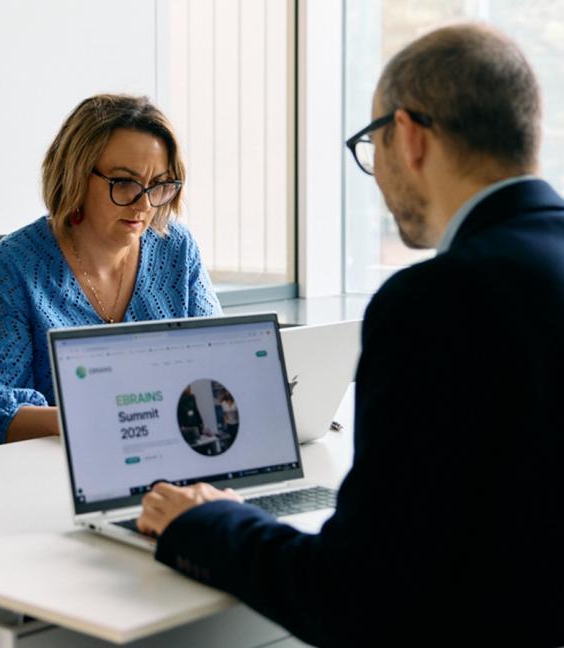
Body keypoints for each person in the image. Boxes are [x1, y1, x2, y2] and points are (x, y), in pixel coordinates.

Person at [138, 24, 564, 646]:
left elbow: (355, 596)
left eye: (374, 145)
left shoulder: (436, 300)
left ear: (410, 136)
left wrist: (206, 522)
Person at [0, 94, 221, 450]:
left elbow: (218, 367)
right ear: (75, 173)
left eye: (159, 185)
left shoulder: (176, 248)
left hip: (171, 456)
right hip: (47, 476)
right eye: (124, 182)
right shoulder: (14, 266)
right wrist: (92, 420)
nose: (144, 204)